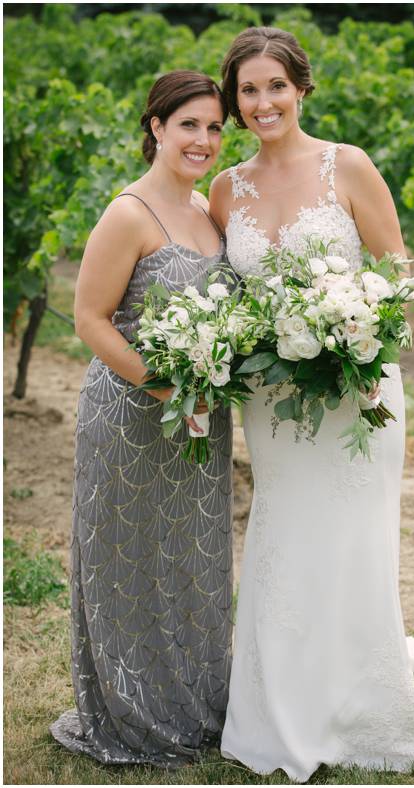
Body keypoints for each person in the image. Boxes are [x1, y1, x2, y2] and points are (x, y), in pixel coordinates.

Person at [207, 27, 414, 781]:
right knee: (287, 530)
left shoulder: (348, 166)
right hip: (273, 398)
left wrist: (356, 336)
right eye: (248, 90)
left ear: (302, 88)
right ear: (235, 102)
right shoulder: (228, 189)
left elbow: (396, 271)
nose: (263, 102)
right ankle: (281, 701)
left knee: (355, 537)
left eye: (275, 86)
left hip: (357, 386)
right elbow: (228, 297)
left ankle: (360, 698)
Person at [52, 69, 233, 766]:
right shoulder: (129, 212)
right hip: (133, 413)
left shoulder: (208, 212)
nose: (204, 139)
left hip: (201, 420)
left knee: (191, 563)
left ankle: (195, 700)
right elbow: (90, 320)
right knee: (128, 565)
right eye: (189, 124)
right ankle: (133, 713)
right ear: (156, 127)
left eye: (215, 127)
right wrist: (168, 388)